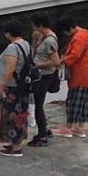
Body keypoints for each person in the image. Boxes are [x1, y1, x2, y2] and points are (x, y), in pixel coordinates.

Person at [0, 19, 35, 156]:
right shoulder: (26, 44)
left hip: (13, 87)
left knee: (11, 116)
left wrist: (1, 86)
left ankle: (16, 147)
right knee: (20, 114)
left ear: (7, 33)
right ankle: (15, 143)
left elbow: (10, 68)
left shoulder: (12, 48)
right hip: (23, 85)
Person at [55, 19, 88, 138]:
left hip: (79, 74)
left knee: (73, 102)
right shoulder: (87, 33)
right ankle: (80, 127)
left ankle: (68, 128)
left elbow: (74, 55)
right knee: (84, 102)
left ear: (69, 29)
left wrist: (61, 61)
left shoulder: (79, 37)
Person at [30, 12, 60, 147]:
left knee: (38, 105)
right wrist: (35, 41)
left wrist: (39, 65)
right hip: (40, 74)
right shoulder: (43, 37)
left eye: (35, 26)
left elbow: (55, 61)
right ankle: (43, 131)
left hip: (44, 75)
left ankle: (42, 135)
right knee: (38, 104)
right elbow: (36, 52)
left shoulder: (49, 40)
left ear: (40, 25)